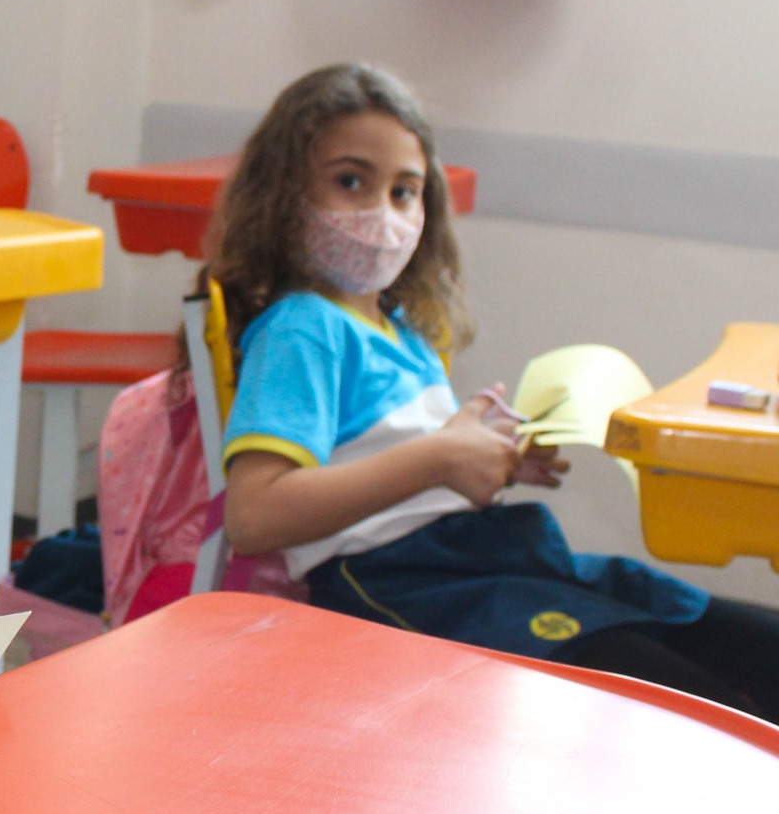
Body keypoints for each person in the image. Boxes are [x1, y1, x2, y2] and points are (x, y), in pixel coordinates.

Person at [213, 62, 777, 718]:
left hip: (482, 557)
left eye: (404, 191)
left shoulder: (397, 329)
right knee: (689, 705)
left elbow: (386, 463)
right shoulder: (303, 328)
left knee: (740, 641)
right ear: (282, 192)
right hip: (405, 584)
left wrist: (488, 455)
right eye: (350, 181)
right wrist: (440, 458)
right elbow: (254, 517)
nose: (382, 213)